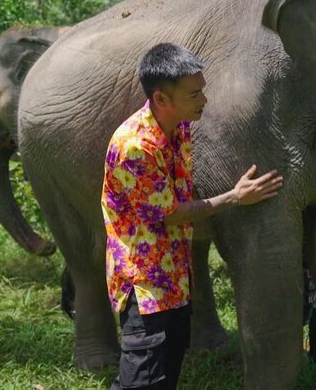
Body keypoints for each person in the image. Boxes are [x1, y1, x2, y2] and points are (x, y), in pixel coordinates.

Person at [101, 43, 283, 389]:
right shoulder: (136, 147)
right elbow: (169, 214)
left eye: (203, 91)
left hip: (175, 278)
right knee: (140, 382)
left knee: (164, 378)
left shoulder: (178, 128)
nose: (204, 101)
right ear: (161, 98)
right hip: (145, 287)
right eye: (194, 94)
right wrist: (234, 197)